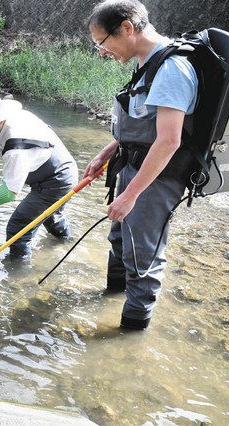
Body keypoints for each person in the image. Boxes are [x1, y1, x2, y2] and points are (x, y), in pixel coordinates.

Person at [84, 0, 198, 330]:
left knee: (143, 257)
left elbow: (168, 141)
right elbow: (144, 124)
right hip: (133, 167)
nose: (102, 53)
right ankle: (111, 299)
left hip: (157, 177)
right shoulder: (147, 61)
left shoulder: (172, 69)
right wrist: (107, 152)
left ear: (127, 28)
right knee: (120, 241)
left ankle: (129, 336)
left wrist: (130, 195)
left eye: (101, 43)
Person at [0, 89, 78, 258]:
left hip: (56, 182)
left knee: (18, 229)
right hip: (64, 169)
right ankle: (67, 247)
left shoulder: (15, 148)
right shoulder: (19, 116)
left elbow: (8, 194)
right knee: (51, 216)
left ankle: (19, 278)